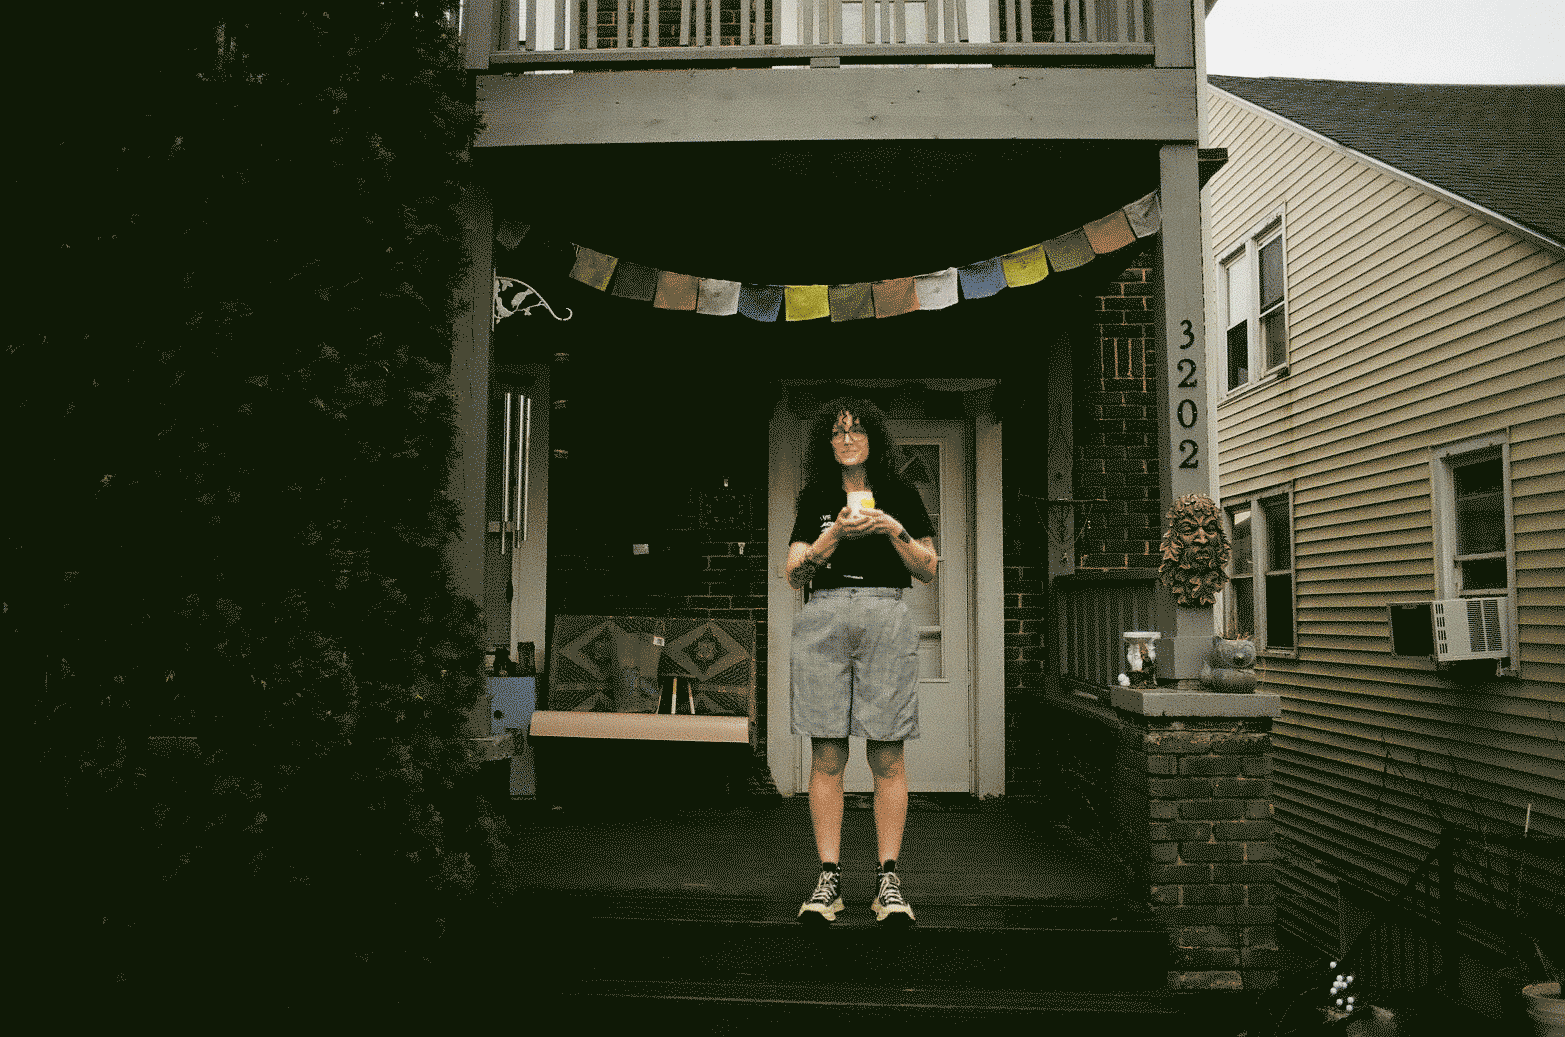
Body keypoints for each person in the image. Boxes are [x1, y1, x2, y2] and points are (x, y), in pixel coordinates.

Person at [786, 398, 937, 927]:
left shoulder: (900, 495)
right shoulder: (815, 497)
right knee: (826, 754)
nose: (846, 439)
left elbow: (929, 569)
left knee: (888, 754)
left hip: (885, 614)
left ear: (873, 438)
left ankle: (888, 882)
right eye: (836, 432)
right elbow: (793, 574)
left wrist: (890, 528)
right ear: (827, 445)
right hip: (823, 618)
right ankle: (829, 880)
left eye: (855, 430)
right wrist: (833, 536)